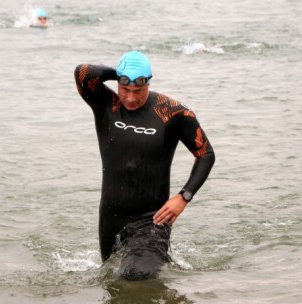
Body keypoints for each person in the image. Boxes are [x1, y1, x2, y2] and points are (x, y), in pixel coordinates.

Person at [74, 51, 215, 280]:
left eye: (138, 91)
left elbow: (205, 154)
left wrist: (183, 197)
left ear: (148, 82)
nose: (130, 98)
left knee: (135, 276)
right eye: (124, 89)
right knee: (110, 283)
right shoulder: (105, 104)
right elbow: (82, 72)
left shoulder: (172, 112)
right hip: (110, 217)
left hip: (152, 219)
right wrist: (119, 72)